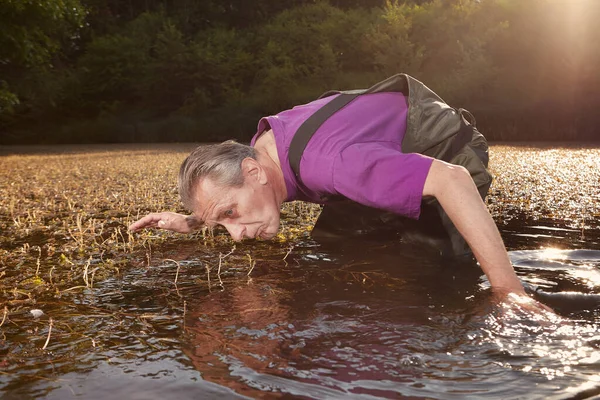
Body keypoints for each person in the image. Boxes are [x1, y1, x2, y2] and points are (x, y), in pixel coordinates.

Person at [129, 74, 543, 305]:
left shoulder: (332, 164)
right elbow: (230, 186)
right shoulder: (259, 157)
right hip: (372, 153)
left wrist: (510, 293)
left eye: (230, 215)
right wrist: (197, 219)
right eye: (225, 222)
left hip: (445, 150)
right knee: (337, 247)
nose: (237, 235)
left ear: (253, 172)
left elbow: (453, 180)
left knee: (426, 266)